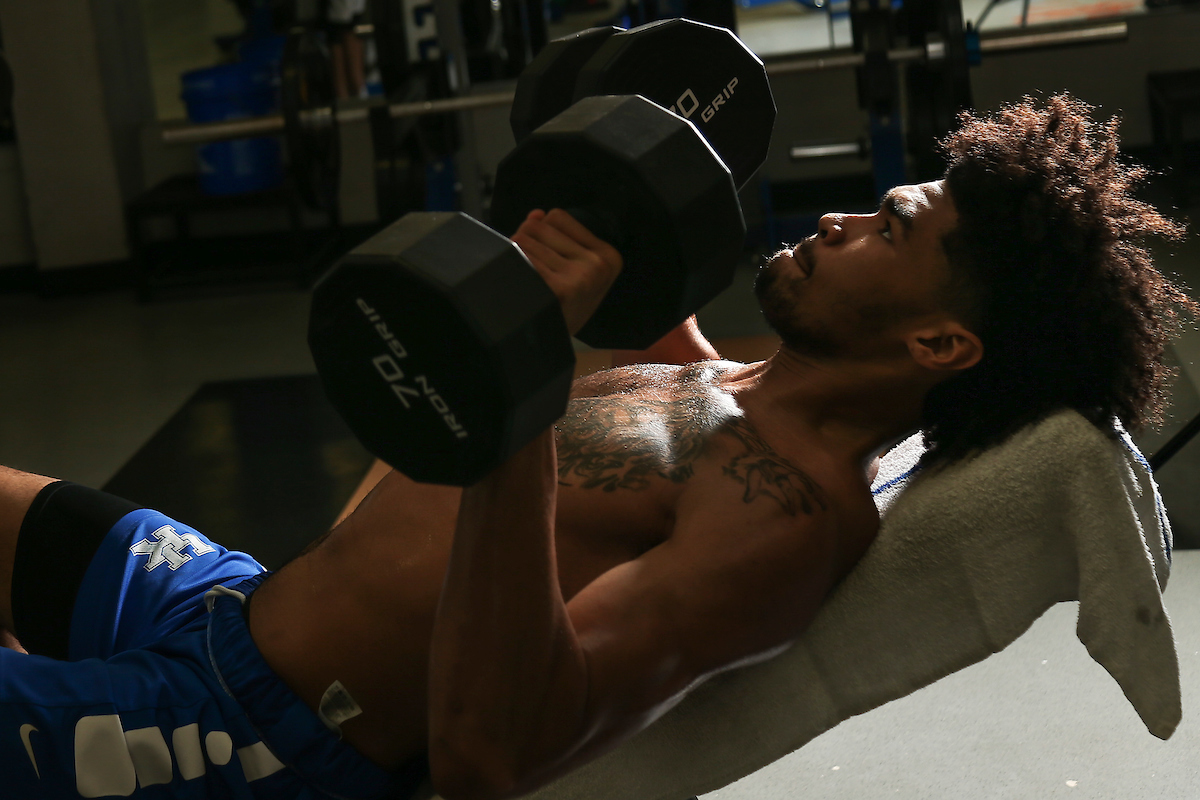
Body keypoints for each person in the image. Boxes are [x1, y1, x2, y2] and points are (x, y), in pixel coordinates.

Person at [0, 94, 1193, 799]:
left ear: (939, 339)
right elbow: (640, 322)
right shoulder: (736, 374)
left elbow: (491, 750)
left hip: (259, 732)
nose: (838, 217)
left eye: (889, 225)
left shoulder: (784, 517)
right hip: (230, 599)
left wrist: (513, 388)